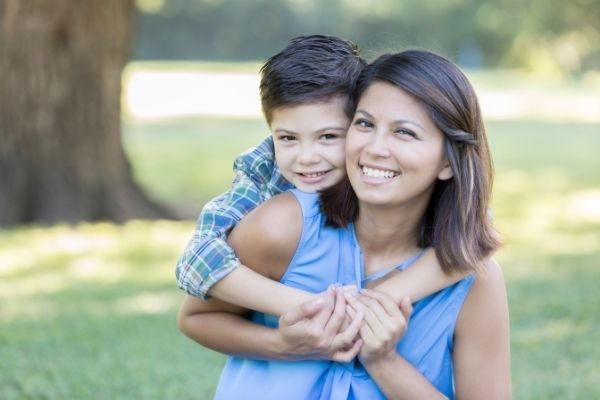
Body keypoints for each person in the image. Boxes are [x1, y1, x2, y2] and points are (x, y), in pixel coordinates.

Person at [179, 49, 511, 399]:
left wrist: (383, 361)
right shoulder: (282, 226)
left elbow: (476, 231)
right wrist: (285, 345)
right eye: (365, 124)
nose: (375, 148)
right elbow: (197, 315)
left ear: (448, 162)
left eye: (405, 133)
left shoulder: (473, 281)